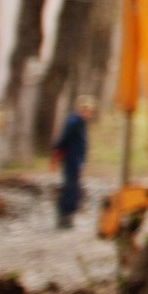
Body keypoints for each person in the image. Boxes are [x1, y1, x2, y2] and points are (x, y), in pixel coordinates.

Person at [52, 96, 95, 230]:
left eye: (89, 111)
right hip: (72, 160)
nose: (88, 114)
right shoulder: (74, 122)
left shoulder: (80, 123)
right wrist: (56, 151)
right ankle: (64, 217)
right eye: (85, 110)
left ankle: (68, 216)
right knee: (70, 188)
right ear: (80, 109)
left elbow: (81, 145)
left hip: (76, 160)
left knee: (74, 188)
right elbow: (64, 139)